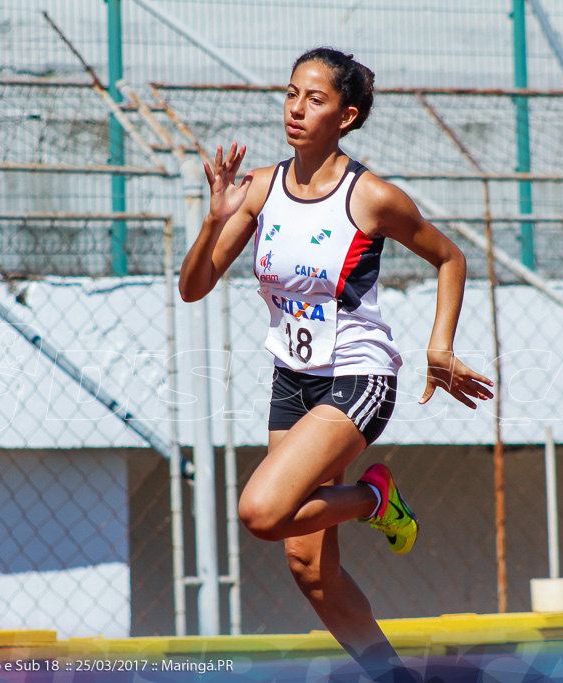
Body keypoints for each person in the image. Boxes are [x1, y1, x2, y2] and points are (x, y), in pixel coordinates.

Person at [178, 47, 494, 678]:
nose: (296, 109)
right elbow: (193, 286)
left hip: (358, 377)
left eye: (314, 99)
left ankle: (376, 500)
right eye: (291, 93)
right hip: (292, 381)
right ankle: (393, 675)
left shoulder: (370, 197)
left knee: (261, 513)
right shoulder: (261, 189)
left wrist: (439, 347)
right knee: (307, 566)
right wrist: (212, 223)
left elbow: (450, 257)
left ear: (346, 116)